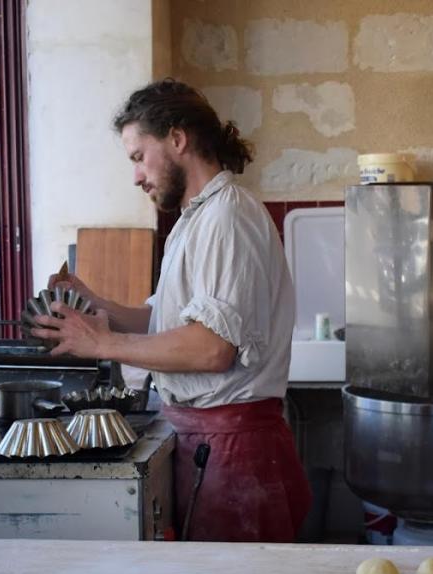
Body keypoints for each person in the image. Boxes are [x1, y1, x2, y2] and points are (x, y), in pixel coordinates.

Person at [32, 78, 311, 544]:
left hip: (234, 451)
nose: (136, 176)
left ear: (177, 139)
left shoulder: (228, 218)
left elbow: (211, 348)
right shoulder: (194, 219)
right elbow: (167, 323)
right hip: (206, 443)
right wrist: (94, 304)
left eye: (139, 157)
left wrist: (102, 342)